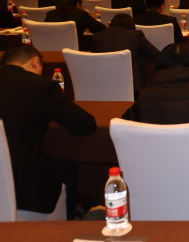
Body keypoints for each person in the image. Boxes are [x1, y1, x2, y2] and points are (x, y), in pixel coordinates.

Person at [0, 44, 96, 218]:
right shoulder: (40, 86)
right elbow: (85, 125)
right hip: (22, 178)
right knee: (68, 167)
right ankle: (67, 223)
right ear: (35, 62)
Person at [91, 13, 160, 92]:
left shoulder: (98, 36)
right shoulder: (136, 36)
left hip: (101, 85)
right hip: (130, 87)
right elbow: (157, 56)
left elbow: (93, 59)